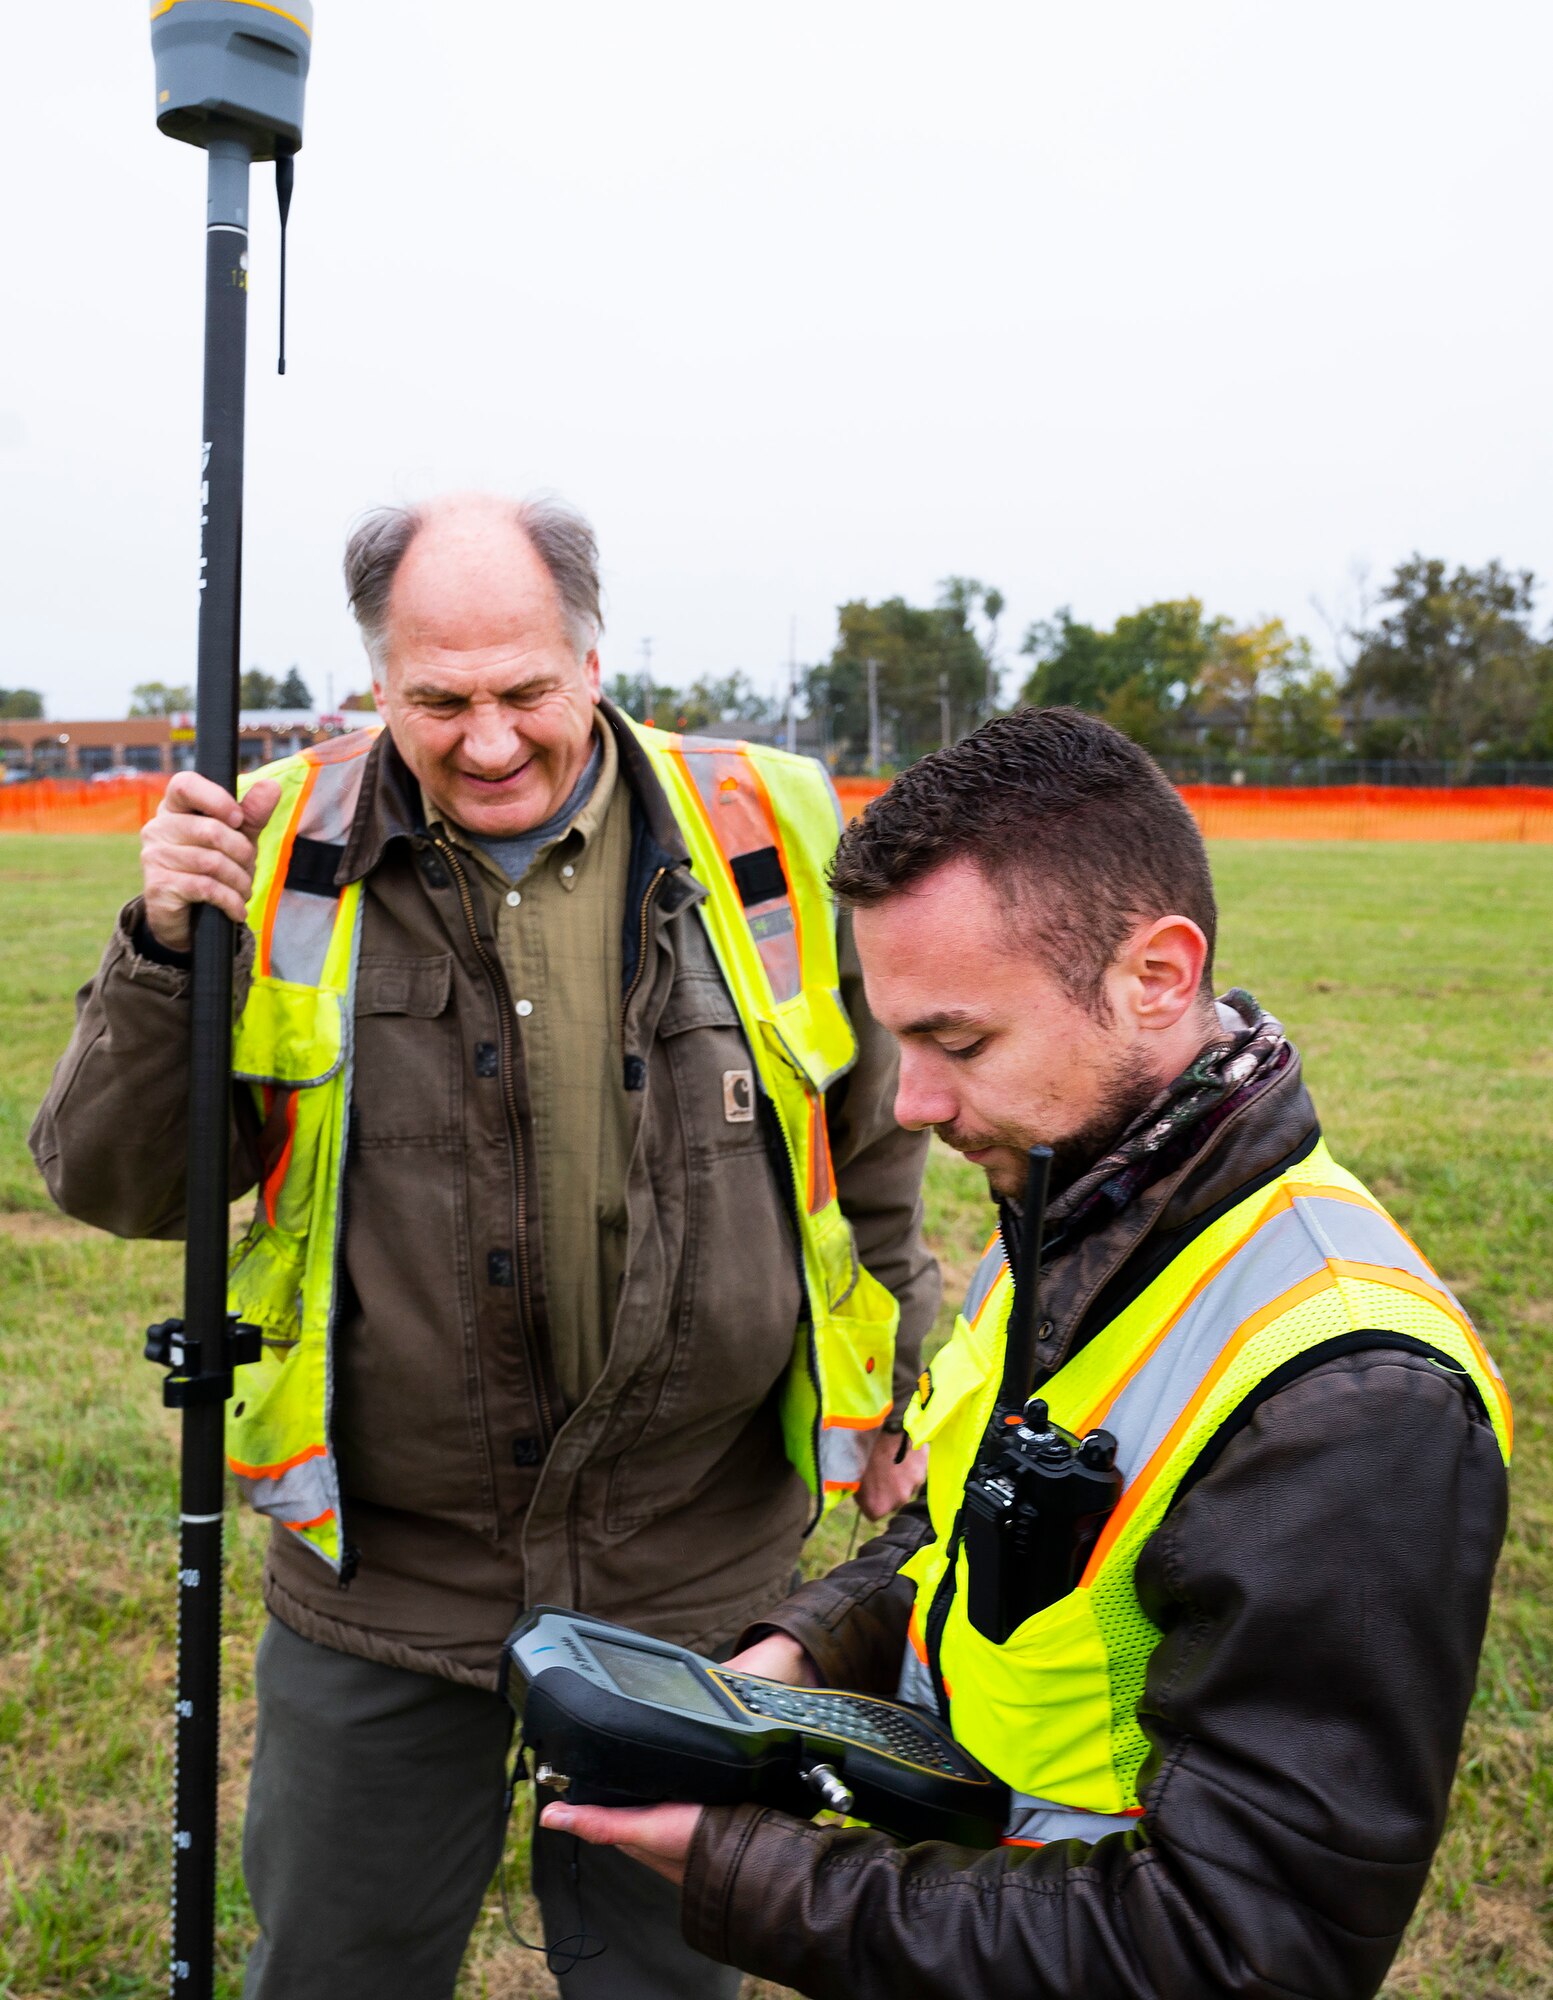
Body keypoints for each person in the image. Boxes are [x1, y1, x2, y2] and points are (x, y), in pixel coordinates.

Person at [30, 493, 938, 1999]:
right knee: (337, 1967)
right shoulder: (263, 851)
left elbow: (872, 1136)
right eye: (438, 700)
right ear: (374, 683)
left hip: (696, 1569)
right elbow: (116, 1184)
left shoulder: (771, 828)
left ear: (592, 657)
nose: (491, 739)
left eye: (524, 691)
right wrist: (163, 949)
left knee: (666, 1979)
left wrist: (904, 1368)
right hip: (389, 1583)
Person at [544, 706, 1513, 2000]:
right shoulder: (1078, 1201)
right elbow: (973, 1529)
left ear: (1157, 977)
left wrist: (753, 1879)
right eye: (898, 1041)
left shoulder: (1351, 1400)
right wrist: (806, 1656)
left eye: (959, 1042)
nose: (908, 1104)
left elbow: (1240, 1951)